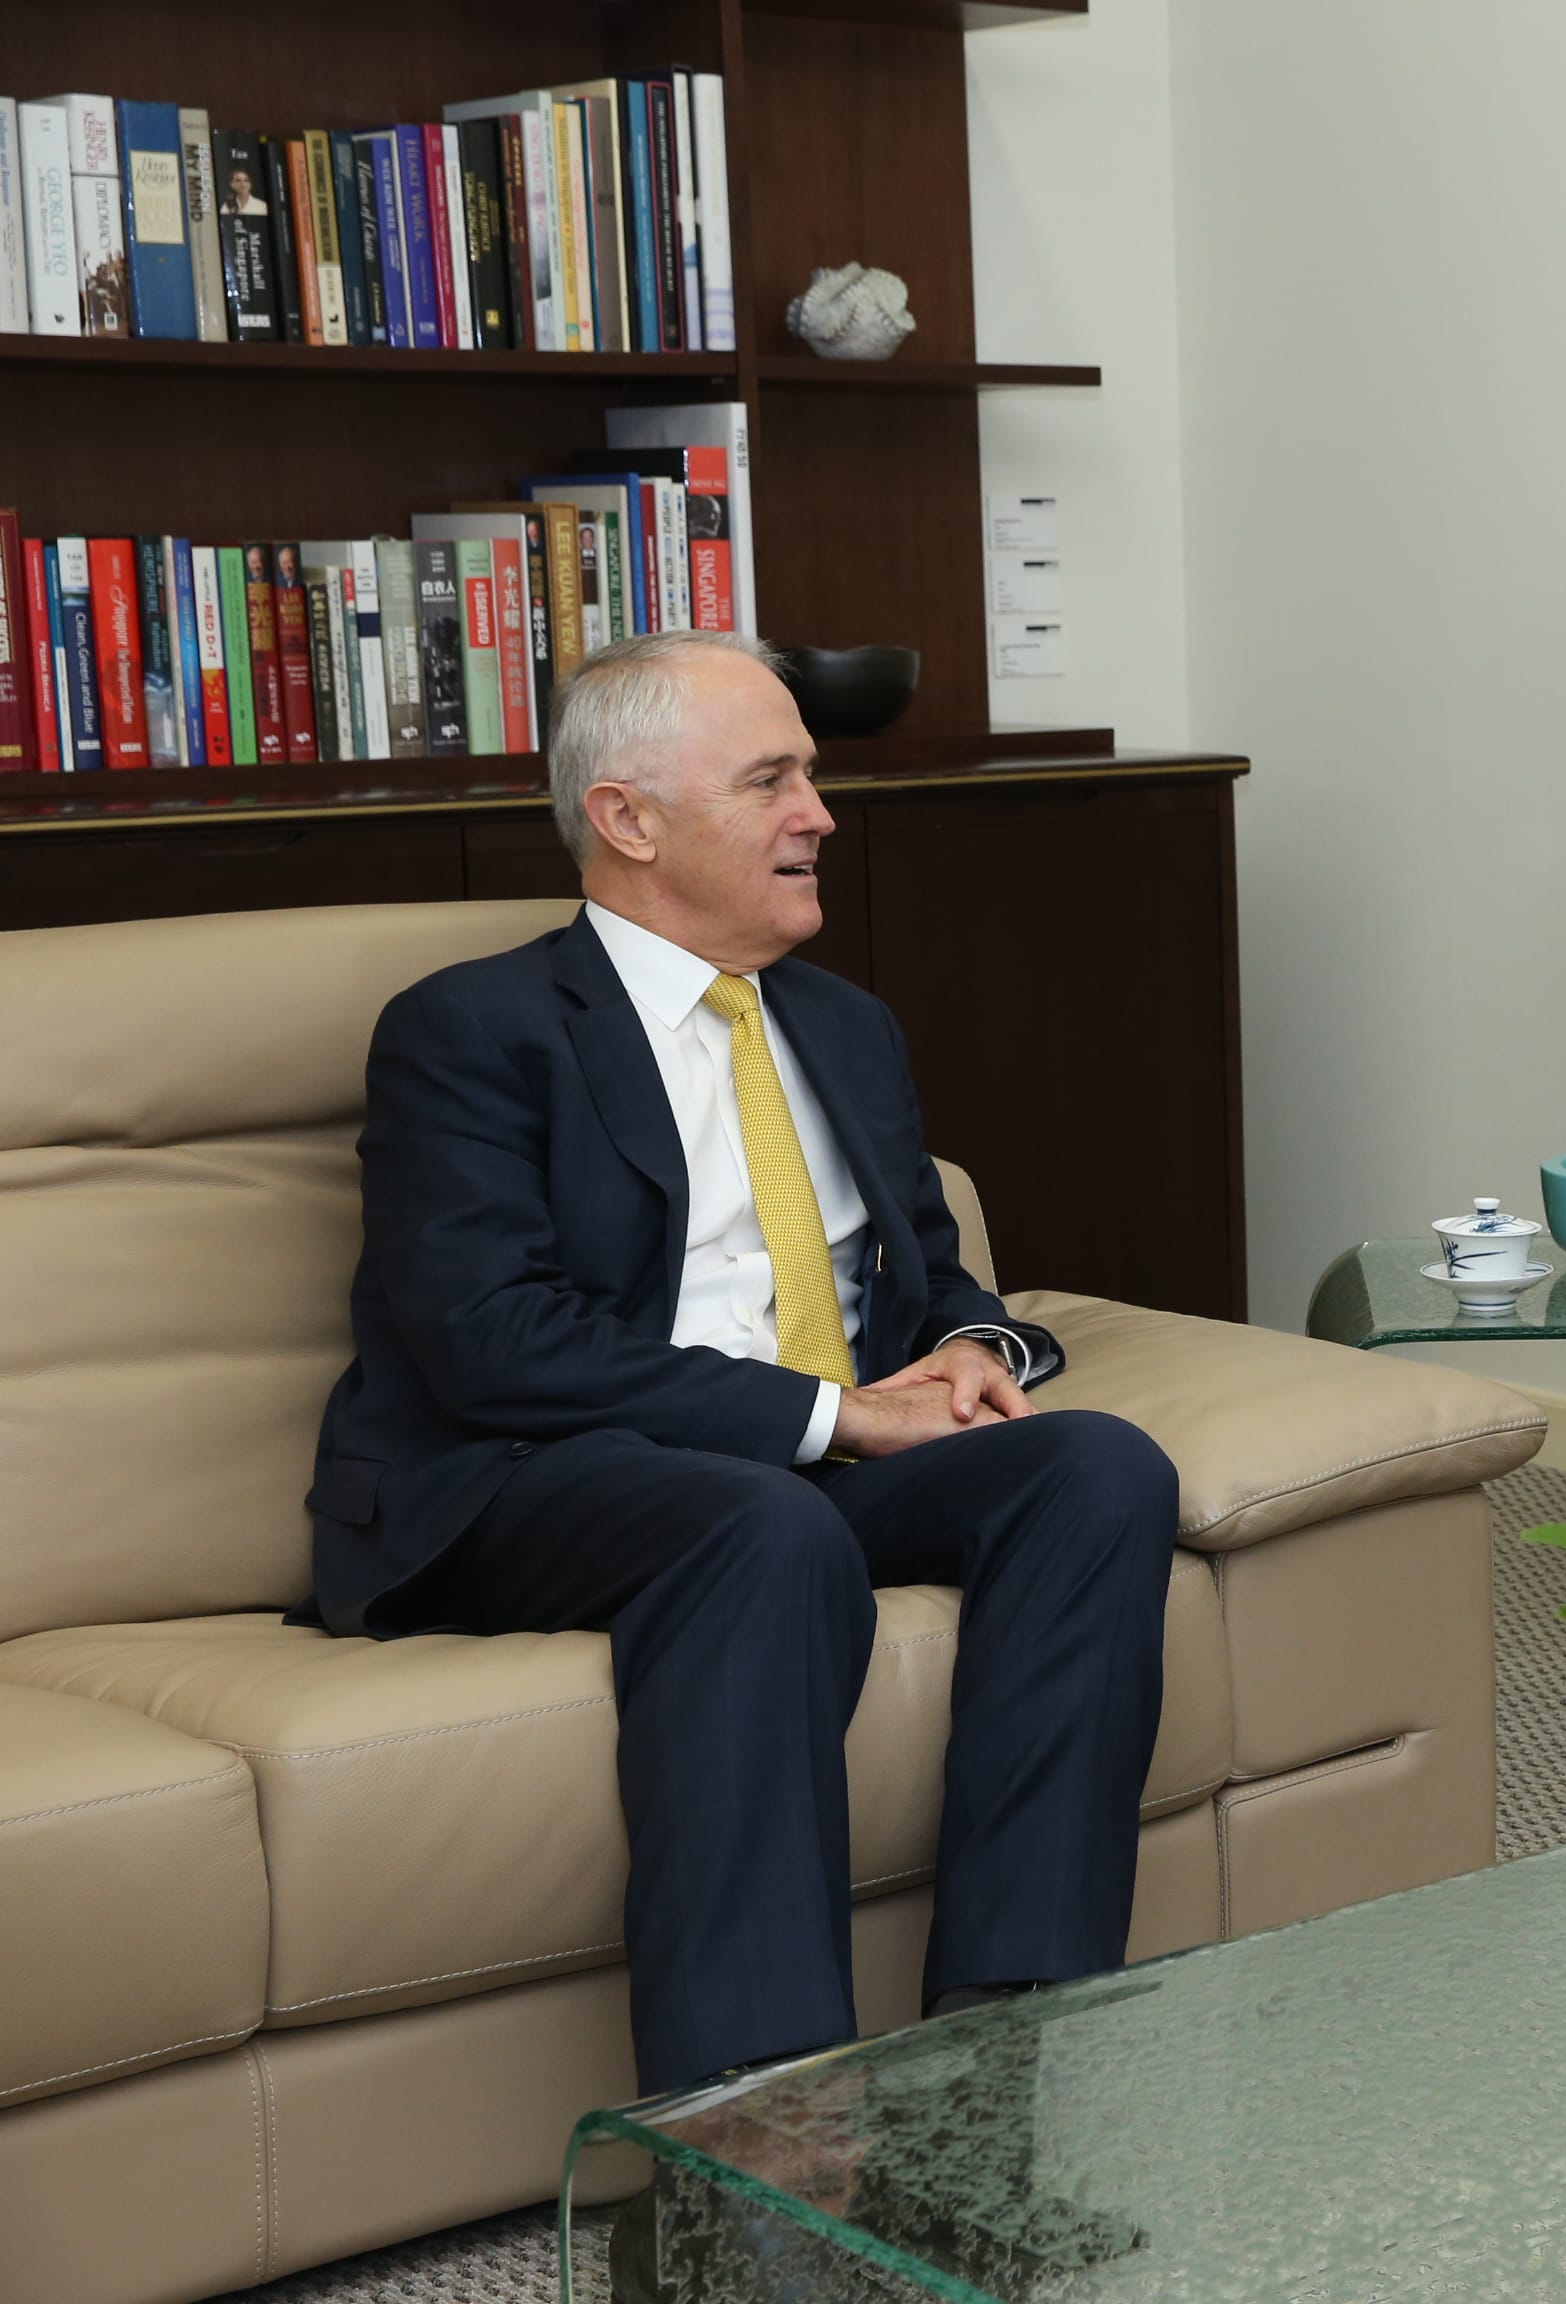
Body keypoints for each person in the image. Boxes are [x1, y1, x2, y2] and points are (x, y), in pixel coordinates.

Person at [306, 628, 1178, 2097]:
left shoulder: (843, 1026)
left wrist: (965, 1352)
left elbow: (936, 1271)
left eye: (814, 779)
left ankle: (1005, 2049)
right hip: (537, 1482)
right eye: (771, 779)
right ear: (628, 819)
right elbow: (490, 1347)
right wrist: (837, 1416)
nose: (819, 814)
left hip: (794, 1467)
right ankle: (757, 2133)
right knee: (762, 1524)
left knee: (1095, 1464)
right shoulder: (475, 1031)